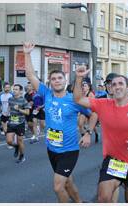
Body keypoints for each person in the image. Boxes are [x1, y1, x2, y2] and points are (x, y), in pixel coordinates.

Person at [23, 42, 98, 203]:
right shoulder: (46, 94)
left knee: (58, 187)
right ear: (50, 82)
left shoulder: (74, 99)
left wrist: (88, 133)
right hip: (52, 149)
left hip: (69, 150)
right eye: (53, 79)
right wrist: (27, 54)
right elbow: (30, 75)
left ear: (65, 81)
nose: (56, 81)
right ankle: (79, 202)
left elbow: (94, 115)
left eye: (59, 78)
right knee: (68, 181)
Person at [73, 66, 128, 203]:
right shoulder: (103, 104)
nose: (117, 87)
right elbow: (77, 99)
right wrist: (78, 77)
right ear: (110, 89)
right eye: (114, 85)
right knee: (103, 198)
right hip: (113, 161)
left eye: (120, 84)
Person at [6, 84, 31, 163]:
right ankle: (16, 147)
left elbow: (27, 112)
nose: (14, 91)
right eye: (14, 89)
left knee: (20, 141)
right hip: (11, 122)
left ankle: (22, 156)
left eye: (16, 89)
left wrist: (19, 109)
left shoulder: (24, 100)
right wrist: (7, 112)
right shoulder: (10, 99)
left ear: (20, 91)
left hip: (20, 123)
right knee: (9, 141)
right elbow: (9, 107)